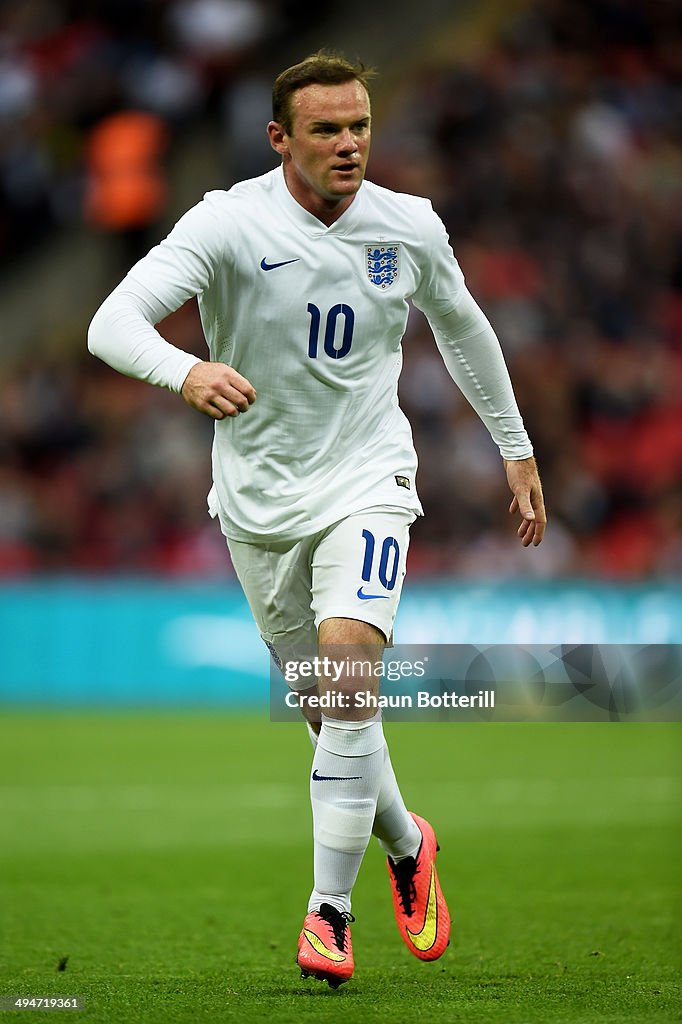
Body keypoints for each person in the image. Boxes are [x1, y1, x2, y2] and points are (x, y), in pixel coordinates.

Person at [87, 50, 547, 988]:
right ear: (279, 138)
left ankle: (327, 917)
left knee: (345, 674)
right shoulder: (227, 223)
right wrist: (186, 370)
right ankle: (407, 839)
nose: (349, 145)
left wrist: (515, 441)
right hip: (258, 505)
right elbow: (111, 321)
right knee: (329, 708)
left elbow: (461, 324)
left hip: (369, 478)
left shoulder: (407, 225)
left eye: (360, 127)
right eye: (327, 130)